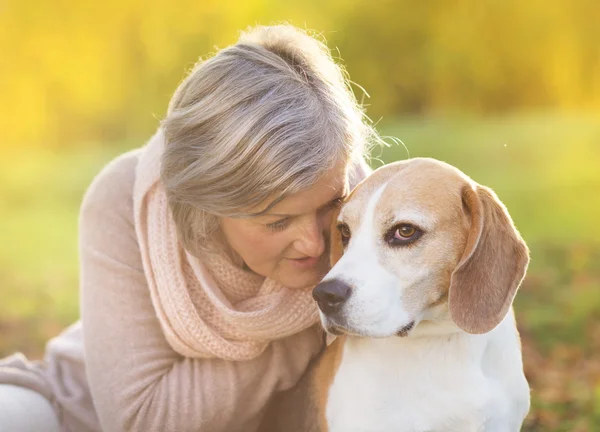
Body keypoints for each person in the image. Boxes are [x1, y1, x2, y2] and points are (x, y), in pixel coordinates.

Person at [0, 24, 378, 432]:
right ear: (208, 209)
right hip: (72, 409)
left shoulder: (366, 200)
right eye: (278, 221)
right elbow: (140, 419)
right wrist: (311, 328)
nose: (314, 243)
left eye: (329, 205)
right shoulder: (126, 200)